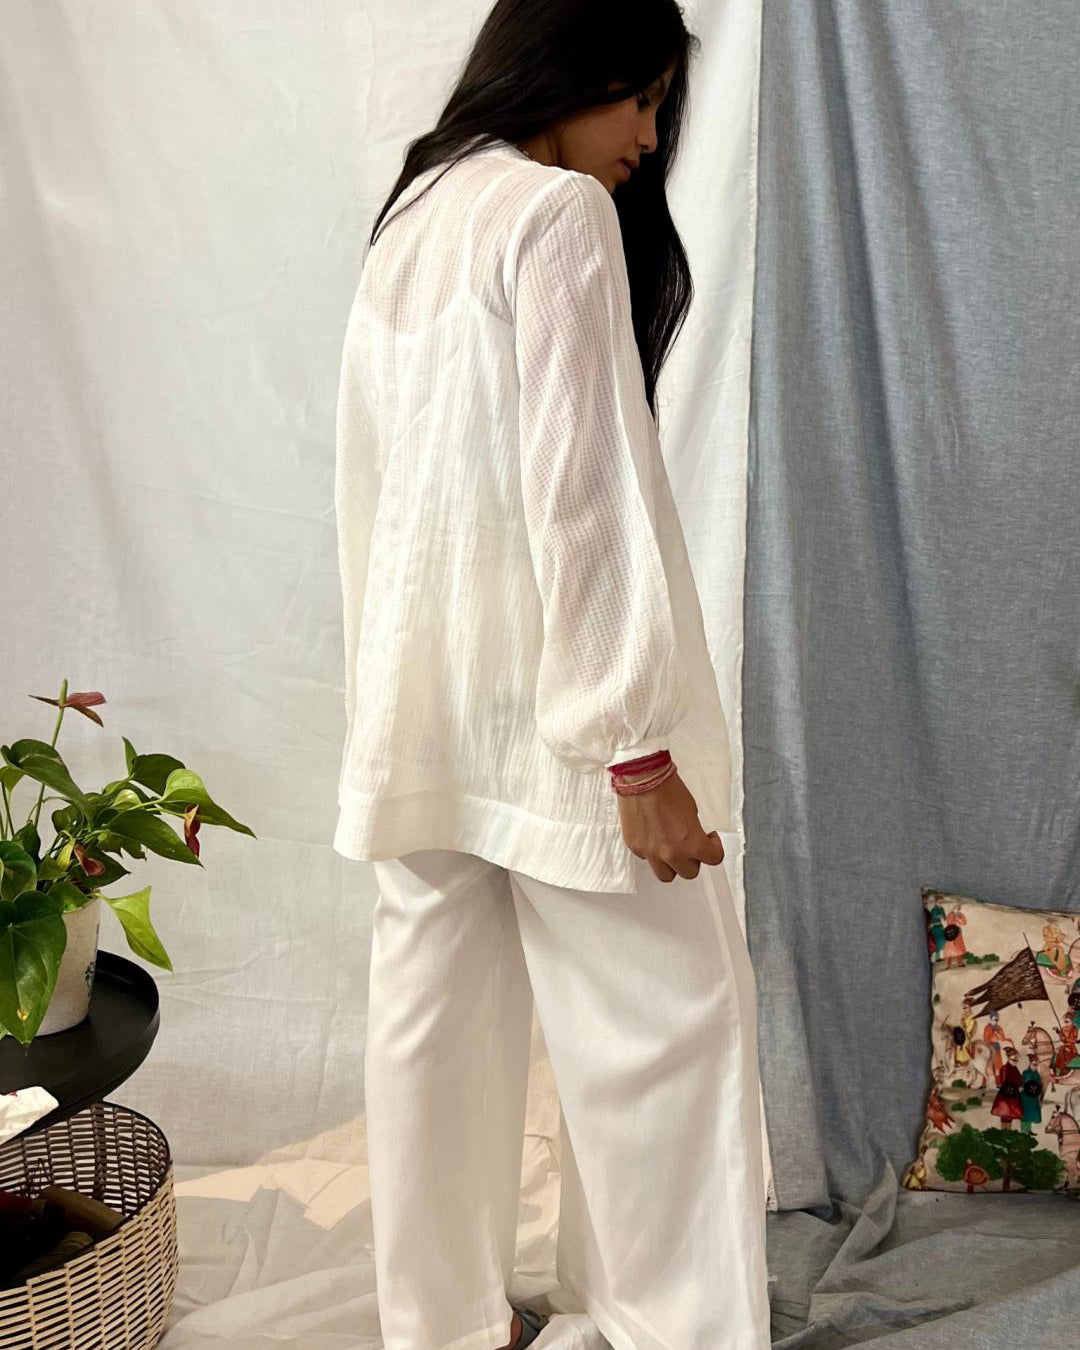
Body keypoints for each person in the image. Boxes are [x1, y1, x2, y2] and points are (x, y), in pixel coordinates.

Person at [332, 2, 772, 1348]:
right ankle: (672, 1327)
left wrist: (388, 704)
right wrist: (637, 750)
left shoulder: (414, 216)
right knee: (672, 1026)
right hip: (565, 727)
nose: (651, 135)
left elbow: (370, 490)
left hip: (424, 717)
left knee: (433, 1037)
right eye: (640, 98)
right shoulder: (554, 214)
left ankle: (444, 1327)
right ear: (567, 69)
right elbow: (581, 497)